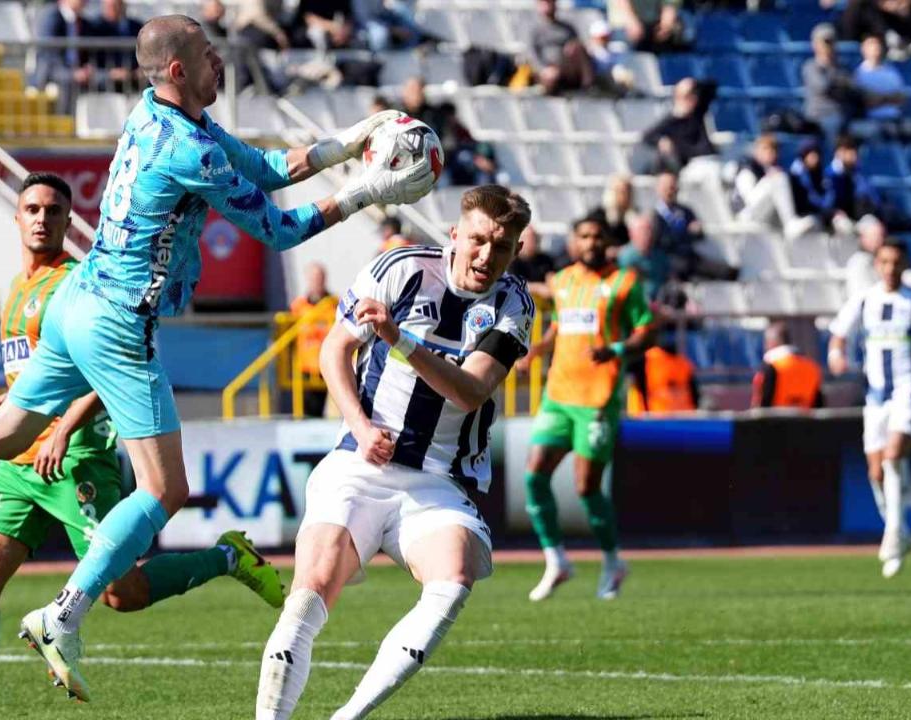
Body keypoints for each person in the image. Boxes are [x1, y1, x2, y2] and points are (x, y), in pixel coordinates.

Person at [0, 14, 435, 704]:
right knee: (164, 491)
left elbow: (269, 168)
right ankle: (64, 613)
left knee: (0, 435)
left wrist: (356, 139)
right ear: (177, 69)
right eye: (208, 55)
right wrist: (370, 191)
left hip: (75, 303)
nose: (219, 62)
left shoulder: (152, 116)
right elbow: (282, 226)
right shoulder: (192, 151)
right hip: (120, 320)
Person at [0, 174, 282, 720]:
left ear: (68, 220)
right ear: (16, 217)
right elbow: (33, 377)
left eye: (54, 210)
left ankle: (227, 557)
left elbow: (108, 375)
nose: (41, 219)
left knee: (126, 593)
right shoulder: (18, 288)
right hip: (20, 460)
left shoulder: (79, 284)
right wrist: (4, 408)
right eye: (31, 208)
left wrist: (63, 427)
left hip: (76, 457)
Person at [255, 185, 535, 720]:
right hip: (360, 464)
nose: (486, 256)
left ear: (517, 250)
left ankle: (348, 717)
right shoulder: (401, 268)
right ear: (454, 234)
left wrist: (400, 340)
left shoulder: (513, 304)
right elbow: (335, 350)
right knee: (310, 590)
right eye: (477, 240)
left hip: (440, 482)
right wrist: (359, 427)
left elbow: (471, 390)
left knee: (452, 582)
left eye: (501, 247)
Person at [518, 216, 655, 601]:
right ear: (574, 242)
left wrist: (613, 350)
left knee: (586, 487)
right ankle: (556, 559)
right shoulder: (563, 281)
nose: (591, 242)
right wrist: (537, 351)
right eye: (584, 236)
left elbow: (648, 330)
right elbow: (562, 325)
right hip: (558, 396)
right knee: (534, 475)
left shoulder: (624, 283)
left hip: (598, 401)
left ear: (607, 241)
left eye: (597, 236)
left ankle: (613, 561)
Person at [829, 239, 911, 578]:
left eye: (897, 262)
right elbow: (839, 334)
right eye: (885, 262)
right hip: (876, 397)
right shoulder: (865, 300)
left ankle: (893, 536)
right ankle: (902, 533)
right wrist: (837, 354)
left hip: (910, 391)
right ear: (877, 265)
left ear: (904, 264)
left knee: (894, 454)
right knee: (876, 473)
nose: (891, 268)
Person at [399, 76, 496, 186]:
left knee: (471, 164)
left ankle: (485, 199)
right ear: (404, 92)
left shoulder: (434, 115)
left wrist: (434, 157)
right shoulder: (396, 116)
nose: (416, 94)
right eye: (412, 90)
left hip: (438, 159)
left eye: (419, 90)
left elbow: (448, 141)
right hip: (409, 162)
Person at [652, 171, 737, 281]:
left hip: (690, 257)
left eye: (673, 187)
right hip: (670, 260)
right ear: (658, 189)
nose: (670, 191)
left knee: (729, 272)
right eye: (666, 188)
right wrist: (687, 233)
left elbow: (699, 235)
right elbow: (664, 241)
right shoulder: (654, 215)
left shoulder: (686, 211)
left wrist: (685, 234)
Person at [732, 134, 820, 241]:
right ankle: (790, 224)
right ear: (756, 151)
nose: (770, 153)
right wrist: (770, 178)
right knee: (778, 177)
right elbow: (749, 200)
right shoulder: (747, 169)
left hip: (764, 216)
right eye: (765, 149)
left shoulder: (767, 169)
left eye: (773, 150)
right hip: (746, 216)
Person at [634, 78, 716, 175]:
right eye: (686, 97)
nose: (692, 99)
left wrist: (690, 84)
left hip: (706, 161)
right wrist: (661, 141)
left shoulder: (699, 112)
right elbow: (647, 136)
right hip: (687, 168)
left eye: (693, 95)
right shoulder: (670, 122)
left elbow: (712, 86)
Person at [289, 262, 336, 417]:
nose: (317, 282)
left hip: (327, 364)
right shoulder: (298, 306)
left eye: (319, 278)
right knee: (305, 410)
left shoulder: (334, 304)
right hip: (305, 366)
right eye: (313, 278)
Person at [32, 0, 94, 114]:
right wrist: (73, 74)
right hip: (51, 72)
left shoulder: (84, 24)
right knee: (67, 82)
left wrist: (87, 69)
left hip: (74, 72)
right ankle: (65, 125)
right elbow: (49, 55)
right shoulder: (50, 17)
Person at [803, 23, 857, 146]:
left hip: (844, 114)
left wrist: (839, 86)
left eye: (832, 42)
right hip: (820, 116)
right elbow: (823, 87)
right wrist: (841, 85)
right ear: (815, 44)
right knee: (835, 124)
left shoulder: (843, 67)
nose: (829, 46)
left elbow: (852, 88)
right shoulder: (811, 66)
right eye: (826, 42)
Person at [752, 322, 823, 409]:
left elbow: (762, 403)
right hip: (805, 421)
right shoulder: (812, 367)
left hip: (775, 421)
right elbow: (819, 404)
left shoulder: (771, 367)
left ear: (771, 342)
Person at [531, 0, 594, 95]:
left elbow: (578, 47)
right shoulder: (535, 30)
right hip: (547, 72)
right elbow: (531, 53)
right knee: (551, 81)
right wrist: (543, 69)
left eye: (549, 2)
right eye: (543, 3)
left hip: (566, 68)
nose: (547, 6)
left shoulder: (567, 28)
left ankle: (588, 87)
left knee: (578, 47)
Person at [627, 333, 697, 415]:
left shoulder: (684, 363)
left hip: (679, 417)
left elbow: (694, 392)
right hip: (651, 418)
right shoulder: (646, 361)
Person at [827, 136, 883, 232]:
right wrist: (833, 211)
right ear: (839, 152)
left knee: (873, 224)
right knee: (842, 224)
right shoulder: (829, 175)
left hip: (860, 216)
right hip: (837, 218)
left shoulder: (858, 175)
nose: (854, 156)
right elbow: (827, 202)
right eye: (850, 151)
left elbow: (874, 199)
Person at [86, 0, 144, 92]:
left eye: (115, 5)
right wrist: (111, 73)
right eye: (108, 6)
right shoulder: (95, 27)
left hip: (133, 75)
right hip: (105, 76)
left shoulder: (136, 26)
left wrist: (140, 69)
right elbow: (90, 59)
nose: (111, 9)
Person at [853, 35, 906, 130]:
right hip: (869, 120)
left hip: (895, 119)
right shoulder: (858, 74)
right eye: (871, 45)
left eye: (877, 45)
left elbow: (901, 98)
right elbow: (866, 101)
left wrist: (880, 98)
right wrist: (889, 98)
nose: (875, 48)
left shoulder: (891, 71)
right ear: (863, 49)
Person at [617, 213, 670, 304]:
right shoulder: (625, 257)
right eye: (643, 230)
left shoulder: (660, 256)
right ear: (632, 233)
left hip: (660, 303)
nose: (647, 234)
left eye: (650, 230)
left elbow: (668, 280)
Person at [609, 0, 685, 52]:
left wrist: (667, 20)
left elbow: (670, 5)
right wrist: (631, 20)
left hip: (656, 24)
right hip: (626, 24)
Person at [586, 174, 638, 249]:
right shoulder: (599, 216)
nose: (625, 195)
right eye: (621, 191)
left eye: (628, 191)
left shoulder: (635, 216)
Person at [508, 224, 554, 300]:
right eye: (527, 238)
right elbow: (512, 285)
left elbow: (552, 278)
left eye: (533, 238)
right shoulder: (511, 261)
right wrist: (537, 288)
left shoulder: (545, 260)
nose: (531, 241)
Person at [846, 217, 889, 297]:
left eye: (881, 236)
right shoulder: (858, 262)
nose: (879, 241)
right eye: (874, 236)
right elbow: (860, 296)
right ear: (863, 237)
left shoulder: (882, 259)